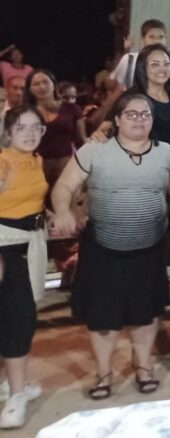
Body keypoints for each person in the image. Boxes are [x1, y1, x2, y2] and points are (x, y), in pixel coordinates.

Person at [51, 93, 170, 402]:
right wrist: (64, 210)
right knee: (102, 316)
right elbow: (64, 187)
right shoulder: (94, 151)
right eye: (131, 114)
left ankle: (143, 366)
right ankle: (104, 373)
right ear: (117, 120)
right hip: (102, 249)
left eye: (145, 114)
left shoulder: (166, 154)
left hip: (149, 248)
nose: (140, 119)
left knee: (144, 313)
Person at [0, 106, 49, 429]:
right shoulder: (3, 162)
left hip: (28, 244)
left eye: (36, 127)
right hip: (6, 247)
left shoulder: (35, 160)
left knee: (15, 316)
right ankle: (15, 398)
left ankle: (10, 384)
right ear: (8, 132)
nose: (30, 133)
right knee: (18, 320)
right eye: (21, 128)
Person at [24, 69, 86, 187]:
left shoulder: (71, 108)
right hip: (35, 168)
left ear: (54, 84)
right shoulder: (25, 112)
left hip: (66, 165)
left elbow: (81, 141)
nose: (42, 87)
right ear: (30, 89)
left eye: (45, 82)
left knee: (64, 203)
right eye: (36, 84)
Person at [110, 20, 170, 93]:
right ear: (143, 39)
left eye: (161, 37)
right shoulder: (129, 59)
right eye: (151, 37)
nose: (156, 41)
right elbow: (114, 86)